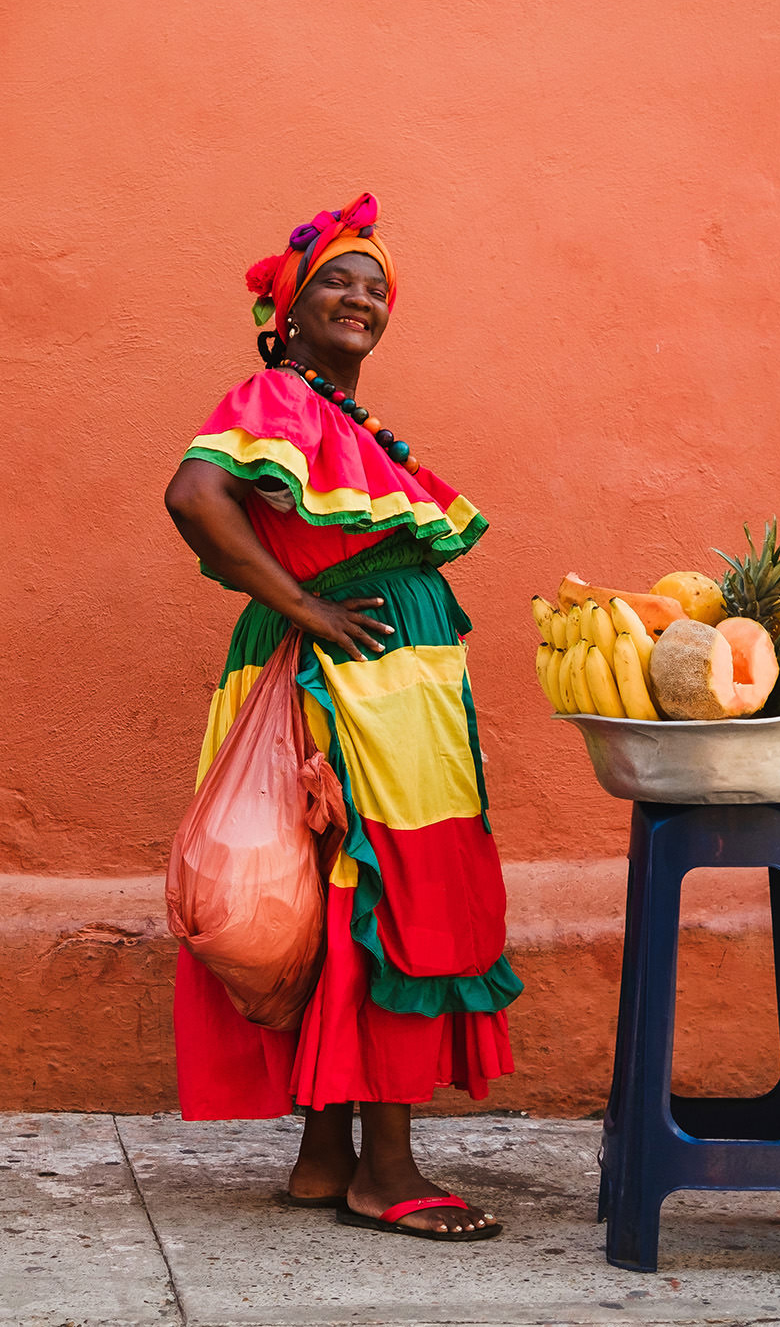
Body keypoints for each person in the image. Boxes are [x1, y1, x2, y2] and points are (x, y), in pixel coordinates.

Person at [162, 195, 522, 1241]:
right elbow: (193, 496)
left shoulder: (327, 413)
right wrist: (304, 604)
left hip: (366, 676)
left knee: (335, 895)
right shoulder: (276, 396)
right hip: (348, 681)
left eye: (375, 286)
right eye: (336, 280)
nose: (361, 296)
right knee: (390, 889)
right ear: (287, 307)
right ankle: (388, 1168)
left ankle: (325, 1156)